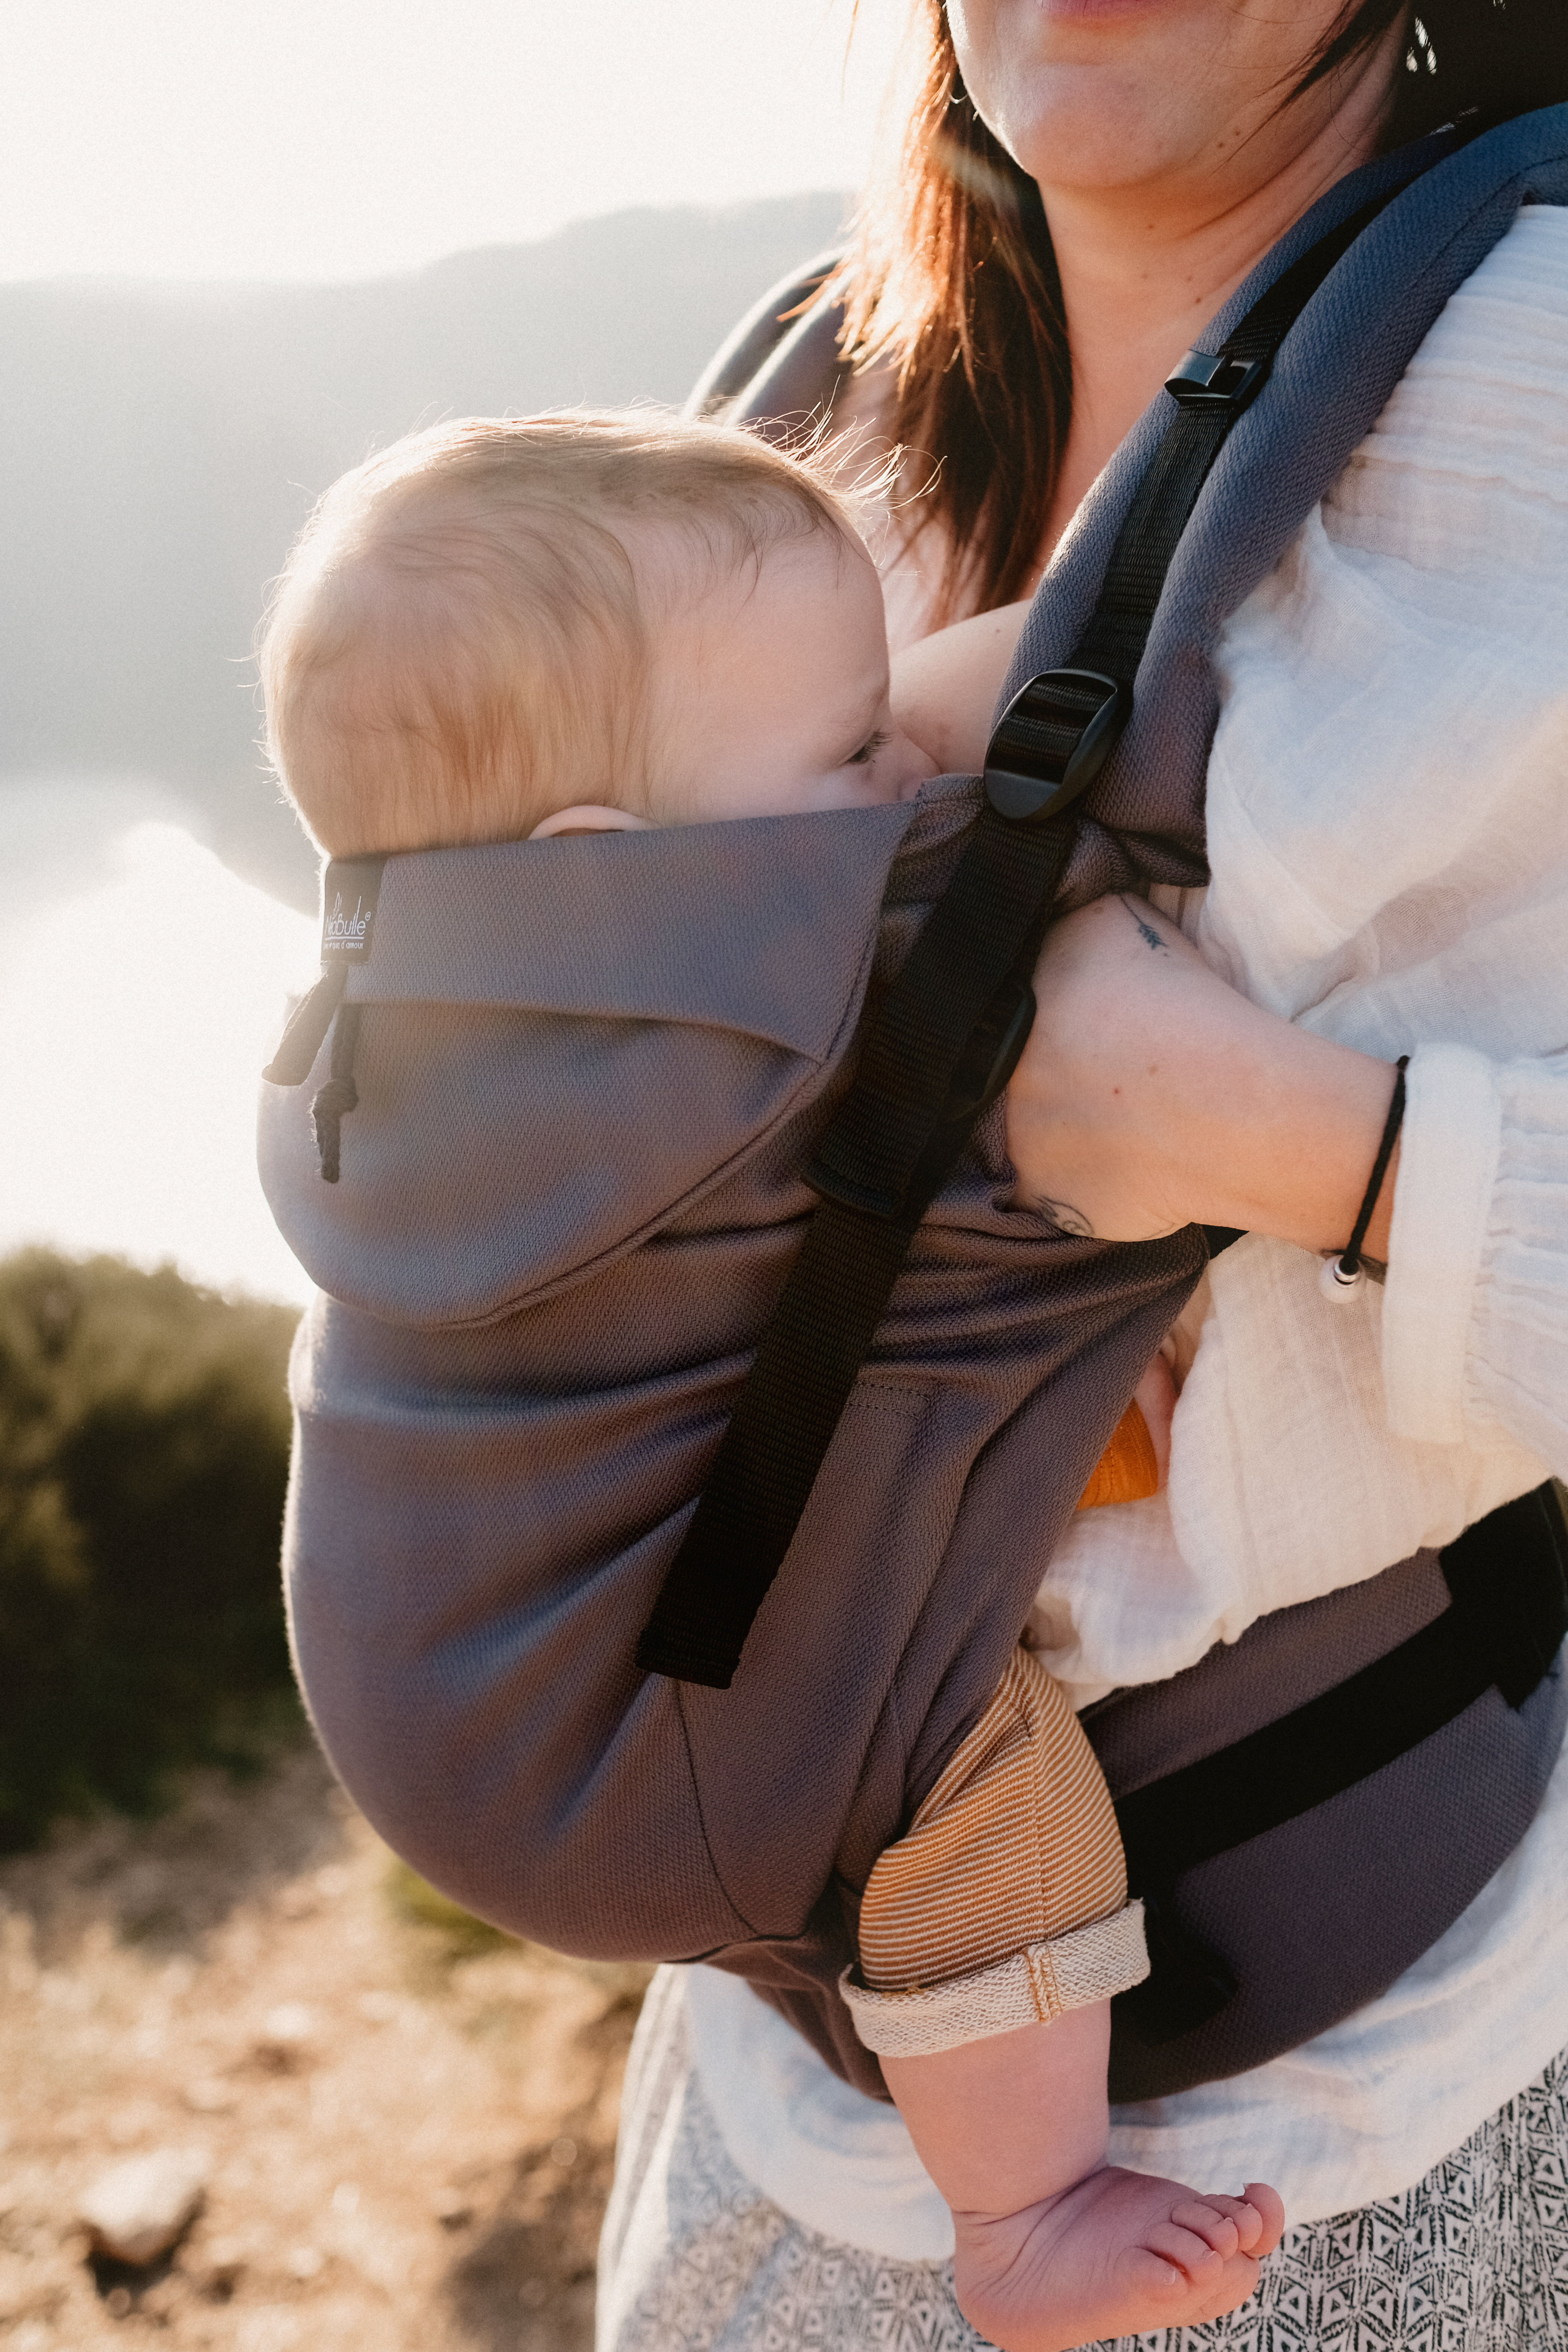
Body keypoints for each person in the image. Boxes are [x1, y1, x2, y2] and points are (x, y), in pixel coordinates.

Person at [259, 406, 1278, 2346]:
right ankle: (1026, 2210)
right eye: (846, 749)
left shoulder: (409, 1028)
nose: (907, 760)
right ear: (609, 878)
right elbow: (1046, 836)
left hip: (438, 1679)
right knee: (982, 1786)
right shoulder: (736, 1038)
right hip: (601, 1743)